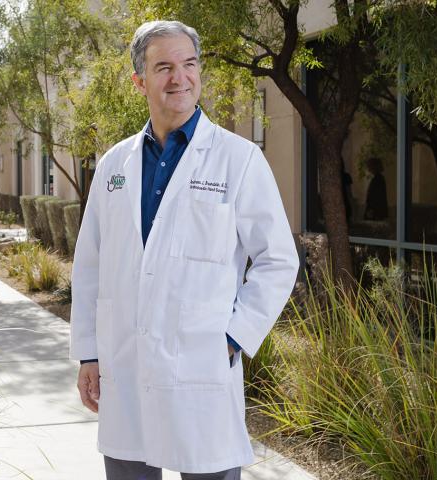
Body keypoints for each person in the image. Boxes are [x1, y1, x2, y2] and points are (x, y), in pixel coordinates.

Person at [70, 21, 299, 479]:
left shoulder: (237, 159)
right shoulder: (115, 165)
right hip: (125, 367)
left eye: (189, 64)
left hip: (201, 368)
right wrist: (89, 354)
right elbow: (91, 264)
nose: (180, 78)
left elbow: (278, 259)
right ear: (140, 81)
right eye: (164, 67)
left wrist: (235, 337)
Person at [363, 156, 388, 220]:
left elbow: (377, 196)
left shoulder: (378, 179)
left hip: (375, 211)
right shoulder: (377, 178)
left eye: (369, 165)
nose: (368, 168)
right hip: (375, 210)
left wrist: (371, 210)